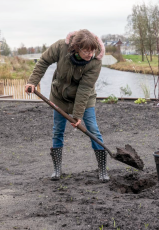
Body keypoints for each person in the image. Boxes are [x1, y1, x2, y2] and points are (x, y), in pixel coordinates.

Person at [24, 29, 109, 182]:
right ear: (76, 47)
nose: (90, 54)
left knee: (93, 130)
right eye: (86, 51)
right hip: (60, 97)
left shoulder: (95, 61)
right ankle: (57, 169)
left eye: (93, 51)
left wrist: (77, 115)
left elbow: (84, 89)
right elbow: (43, 61)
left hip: (85, 98)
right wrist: (32, 81)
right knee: (58, 130)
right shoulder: (60, 47)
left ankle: (102, 169)